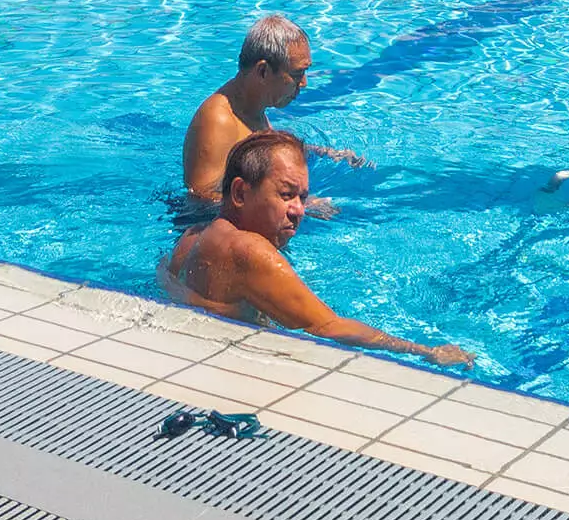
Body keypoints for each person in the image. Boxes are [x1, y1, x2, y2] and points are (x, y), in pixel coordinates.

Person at [164, 130, 473, 367]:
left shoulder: (192, 237)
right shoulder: (250, 251)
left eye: (302, 197)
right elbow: (328, 327)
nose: (299, 210)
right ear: (241, 192)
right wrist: (426, 351)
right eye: (286, 195)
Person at [182, 14, 362, 200]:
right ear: (263, 71)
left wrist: (326, 153)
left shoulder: (251, 107)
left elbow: (264, 149)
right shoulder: (218, 120)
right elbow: (200, 201)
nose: (304, 83)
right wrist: (296, 203)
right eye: (297, 73)